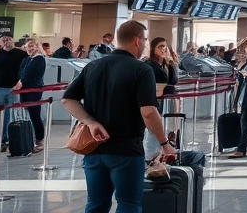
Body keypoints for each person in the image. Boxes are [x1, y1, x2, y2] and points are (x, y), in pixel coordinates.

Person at [61, 20, 175, 213]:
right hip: (126, 151)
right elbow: (148, 112)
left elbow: (67, 100)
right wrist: (164, 143)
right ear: (137, 41)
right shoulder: (141, 70)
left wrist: (91, 122)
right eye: (145, 40)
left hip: (94, 150)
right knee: (128, 204)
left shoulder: (92, 66)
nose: (146, 45)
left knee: (96, 204)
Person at [13, 39, 47, 154]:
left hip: (34, 91)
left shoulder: (39, 59)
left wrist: (21, 82)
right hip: (25, 91)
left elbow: (28, 73)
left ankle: (39, 140)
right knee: (29, 115)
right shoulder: (27, 59)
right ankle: (29, 140)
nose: (30, 49)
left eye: (32, 46)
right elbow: (21, 73)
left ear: (37, 47)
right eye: (28, 47)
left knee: (35, 115)